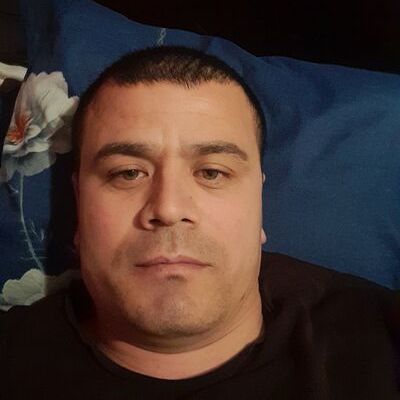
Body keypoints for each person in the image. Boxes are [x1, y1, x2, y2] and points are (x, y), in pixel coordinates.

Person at [0, 46, 399, 399]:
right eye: (128, 173)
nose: (169, 208)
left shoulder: (381, 338)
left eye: (212, 172)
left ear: (259, 203)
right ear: (79, 202)